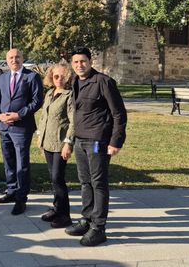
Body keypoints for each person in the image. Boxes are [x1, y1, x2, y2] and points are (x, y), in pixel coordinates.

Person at [65, 47, 127, 247]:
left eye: (83, 61)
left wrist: (115, 141)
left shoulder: (103, 82)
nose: (79, 65)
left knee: (98, 183)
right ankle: (87, 219)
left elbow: (119, 114)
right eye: (75, 62)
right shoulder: (75, 82)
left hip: (97, 141)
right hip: (80, 140)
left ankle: (99, 228)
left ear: (90, 62)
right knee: (85, 182)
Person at [0, 49, 44, 215]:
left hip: (21, 128)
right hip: (4, 127)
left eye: (17, 57)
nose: (14, 60)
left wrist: (18, 114)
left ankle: (21, 199)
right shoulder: (3, 77)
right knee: (9, 161)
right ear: (7, 60)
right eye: (11, 58)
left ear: (23, 59)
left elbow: (37, 101)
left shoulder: (32, 77)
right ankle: (12, 191)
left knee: (22, 164)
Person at [37, 63, 75, 229]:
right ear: (51, 77)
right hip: (47, 142)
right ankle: (56, 209)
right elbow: (43, 117)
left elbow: (74, 122)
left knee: (57, 178)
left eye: (62, 76)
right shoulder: (50, 94)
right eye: (56, 76)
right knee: (53, 178)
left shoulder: (69, 95)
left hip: (60, 144)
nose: (59, 79)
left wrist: (68, 143)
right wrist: (40, 137)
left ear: (67, 77)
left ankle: (65, 215)